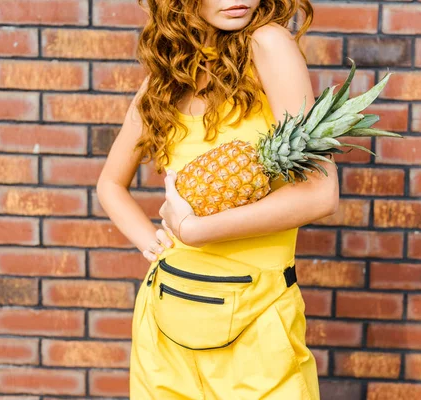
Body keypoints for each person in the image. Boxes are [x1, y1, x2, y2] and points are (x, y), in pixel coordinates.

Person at [96, 0, 339, 398]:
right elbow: (110, 184)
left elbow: (320, 194)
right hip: (166, 319)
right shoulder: (166, 78)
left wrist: (195, 230)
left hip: (256, 321)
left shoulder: (268, 44)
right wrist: (152, 242)